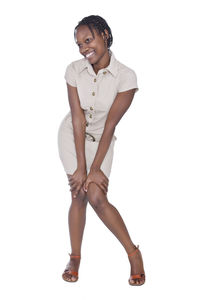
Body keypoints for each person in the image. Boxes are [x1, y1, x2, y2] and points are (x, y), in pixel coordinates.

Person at [57, 15, 145, 286]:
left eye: (88, 40)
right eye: (79, 44)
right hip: (73, 136)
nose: (84, 49)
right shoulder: (74, 70)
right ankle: (75, 257)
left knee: (96, 196)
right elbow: (76, 119)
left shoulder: (126, 77)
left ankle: (134, 254)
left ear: (105, 34)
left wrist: (95, 169)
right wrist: (82, 169)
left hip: (102, 140)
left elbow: (110, 126)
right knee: (79, 193)